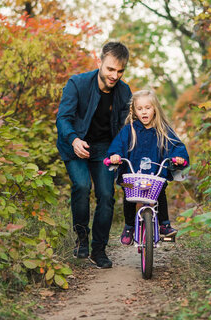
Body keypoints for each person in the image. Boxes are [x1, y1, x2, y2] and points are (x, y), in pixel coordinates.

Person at [56, 42, 132, 268]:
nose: (114, 75)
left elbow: (124, 128)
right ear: (99, 63)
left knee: (107, 196)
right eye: (110, 69)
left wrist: (122, 151)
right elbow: (63, 118)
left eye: (120, 71)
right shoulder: (77, 84)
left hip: (105, 149)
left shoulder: (124, 91)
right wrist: (74, 139)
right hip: (75, 144)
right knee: (81, 186)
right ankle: (81, 240)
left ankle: (99, 250)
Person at [106, 89, 189, 245]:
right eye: (140, 108)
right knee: (128, 194)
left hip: (154, 174)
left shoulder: (163, 130)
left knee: (160, 192)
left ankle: (164, 224)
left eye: (148, 108)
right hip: (132, 175)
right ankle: (129, 226)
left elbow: (176, 145)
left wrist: (179, 158)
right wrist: (115, 156)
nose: (144, 112)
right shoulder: (129, 130)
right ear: (134, 111)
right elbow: (118, 145)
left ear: (155, 109)